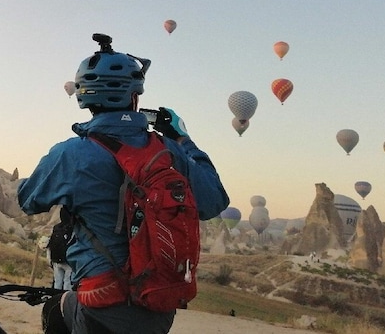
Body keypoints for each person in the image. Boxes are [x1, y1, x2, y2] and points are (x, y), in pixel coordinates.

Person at [18, 34, 229, 334]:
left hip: (102, 302)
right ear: (135, 97)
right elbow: (215, 201)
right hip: (158, 304)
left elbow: (27, 199)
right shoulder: (169, 151)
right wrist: (183, 139)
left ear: (84, 95)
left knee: (56, 306)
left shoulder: (70, 154)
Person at [47, 209, 73, 290]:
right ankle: (64, 301)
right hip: (68, 261)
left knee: (57, 283)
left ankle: (55, 299)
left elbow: (50, 243)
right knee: (67, 283)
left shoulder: (56, 227)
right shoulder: (72, 228)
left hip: (56, 260)